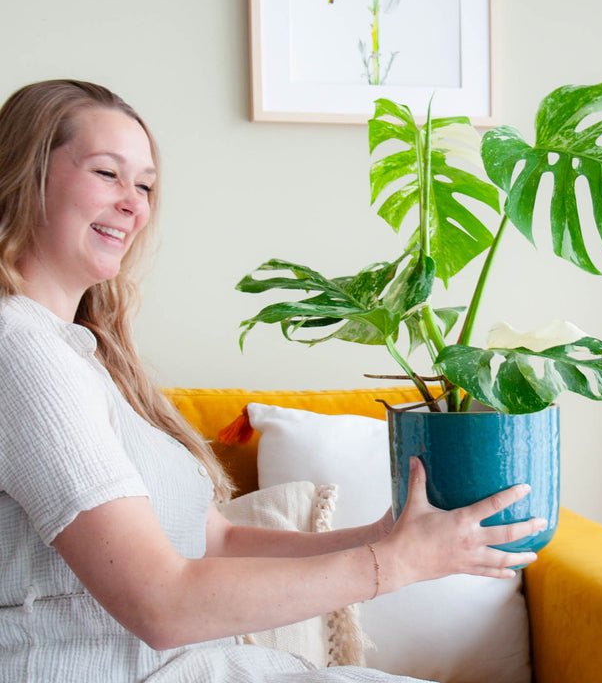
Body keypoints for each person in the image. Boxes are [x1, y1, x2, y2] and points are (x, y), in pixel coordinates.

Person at [0, 79, 547, 683]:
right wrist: (393, 564)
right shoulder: (18, 348)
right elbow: (159, 603)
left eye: (146, 185)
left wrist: (389, 536)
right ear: (27, 174)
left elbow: (218, 543)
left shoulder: (86, 358)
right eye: (108, 173)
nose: (134, 203)